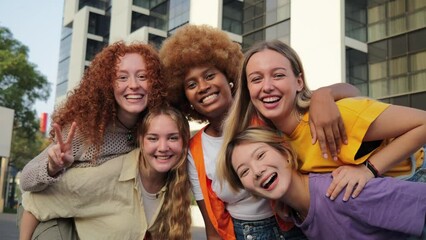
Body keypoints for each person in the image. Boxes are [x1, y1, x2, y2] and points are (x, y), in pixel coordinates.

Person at [159, 24, 361, 240]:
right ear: (185, 97)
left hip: (301, 226)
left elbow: (353, 93)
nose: (203, 86)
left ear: (229, 76)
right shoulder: (195, 150)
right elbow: (213, 227)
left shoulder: (265, 113)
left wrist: (324, 94)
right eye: (191, 84)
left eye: (209, 76)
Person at [218, 40, 426, 203]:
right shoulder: (272, 139)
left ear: (299, 82)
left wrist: (368, 170)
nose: (267, 86)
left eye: (278, 75)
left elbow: (423, 123)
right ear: (248, 91)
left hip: (415, 177)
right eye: (256, 79)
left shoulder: (334, 116)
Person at [18, 41, 165, 239]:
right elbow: (27, 181)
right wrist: (52, 166)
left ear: (155, 83)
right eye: (122, 77)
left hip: (94, 212)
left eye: (142, 76)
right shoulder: (85, 130)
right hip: (47, 208)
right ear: (107, 84)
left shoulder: (154, 131)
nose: (133, 85)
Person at [20, 105, 192, 240]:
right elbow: (34, 201)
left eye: (173, 138)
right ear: (141, 140)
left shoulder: (178, 182)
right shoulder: (106, 175)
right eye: (153, 138)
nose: (163, 148)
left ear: (184, 142)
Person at [224, 127, 426, 240]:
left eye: (260, 155)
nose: (257, 171)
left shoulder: (340, 192)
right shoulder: (295, 212)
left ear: (285, 154)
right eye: (244, 171)